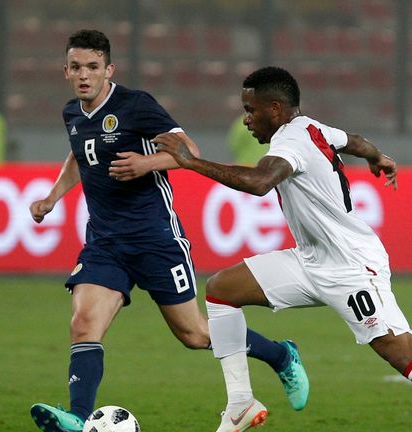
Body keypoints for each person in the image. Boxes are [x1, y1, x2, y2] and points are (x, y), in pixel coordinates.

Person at [154, 66, 412, 432]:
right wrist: (376, 156)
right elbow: (353, 140)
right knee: (221, 290)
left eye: (250, 110)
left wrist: (188, 163)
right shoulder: (311, 127)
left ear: (275, 109)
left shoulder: (291, 141)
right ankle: (240, 403)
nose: (246, 119)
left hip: (352, 268)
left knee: (403, 355)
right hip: (311, 259)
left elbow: (259, 182)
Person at [27, 31, 308, 432]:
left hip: (155, 238)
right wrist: (53, 197)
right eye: (76, 67)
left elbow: (186, 149)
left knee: (194, 334)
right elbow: (79, 154)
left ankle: (281, 355)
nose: (84, 75)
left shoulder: (135, 106)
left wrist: (147, 164)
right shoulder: (73, 113)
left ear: (109, 69)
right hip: (105, 242)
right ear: (66, 72)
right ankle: (78, 416)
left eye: (92, 67)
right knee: (83, 324)